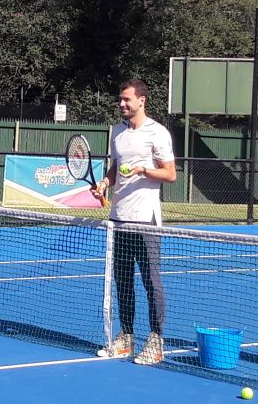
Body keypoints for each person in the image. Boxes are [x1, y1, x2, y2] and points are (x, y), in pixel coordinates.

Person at [93, 78, 176, 365]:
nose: (122, 104)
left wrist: (143, 170)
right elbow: (116, 167)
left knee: (151, 281)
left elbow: (170, 174)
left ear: (142, 100)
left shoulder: (158, 132)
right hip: (118, 219)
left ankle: (156, 340)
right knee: (123, 280)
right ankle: (126, 337)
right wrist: (105, 183)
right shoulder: (117, 132)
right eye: (120, 99)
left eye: (127, 99)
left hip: (146, 220)